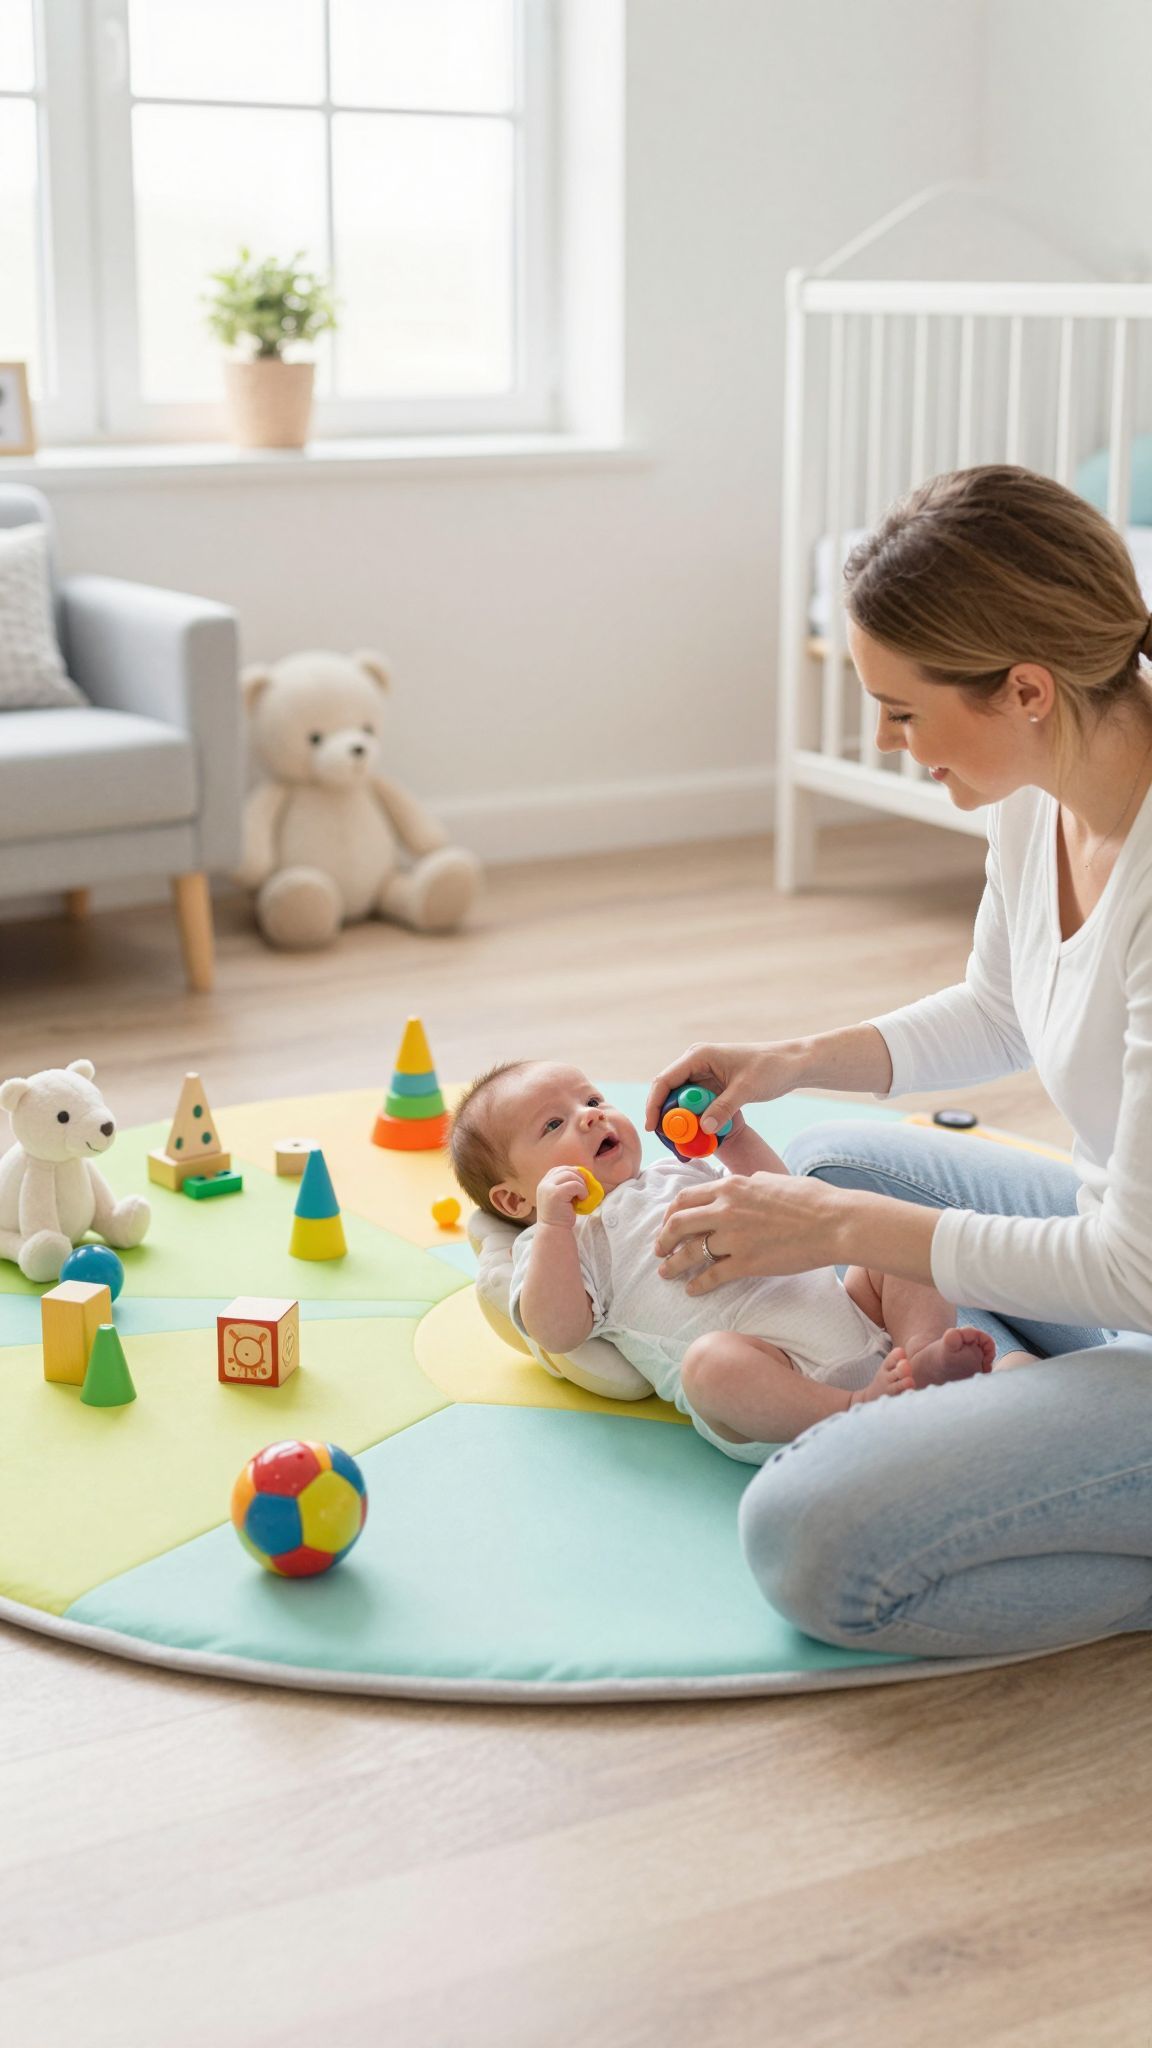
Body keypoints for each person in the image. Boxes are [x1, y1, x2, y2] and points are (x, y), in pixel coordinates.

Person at [648, 464, 1152, 1661]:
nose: (888, 738)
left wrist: (840, 1232)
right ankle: (1025, 1411)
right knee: (829, 1160)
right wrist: (791, 1059)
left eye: (907, 709)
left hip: (1139, 1272)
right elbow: (1003, 1004)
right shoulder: (1047, 770)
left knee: (810, 1535)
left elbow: (1135, 1266)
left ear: (1025, 686)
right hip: (1125, 1263)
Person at [448, 1059, 1011, 1460]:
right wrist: (553, 1226)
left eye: (592, 1101)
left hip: (858, 1319)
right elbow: (558, 1330)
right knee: (709, 1366)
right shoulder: (563, 1242)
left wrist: (735, 1138)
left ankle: (920, 1359)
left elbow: (784, 1199)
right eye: (554, 1124)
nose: (591, 1117)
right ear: (514, 1199)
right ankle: (855, 1408)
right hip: (777, 1384)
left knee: (891, 1242)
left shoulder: (680, 1171)